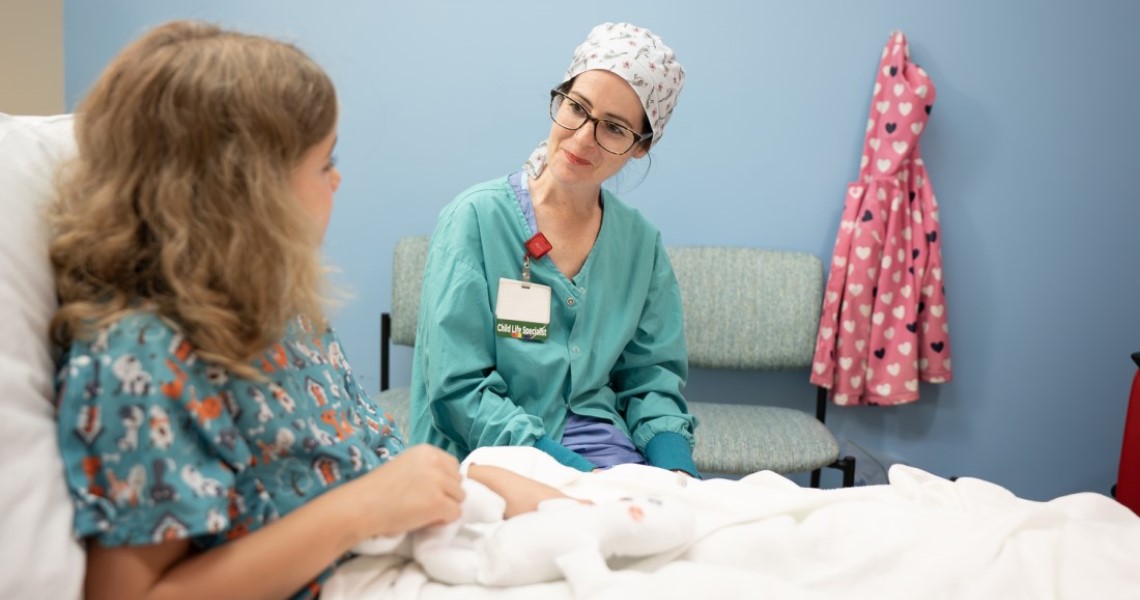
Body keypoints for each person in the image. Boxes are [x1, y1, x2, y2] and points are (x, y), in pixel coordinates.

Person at [50, 20, 566, 600]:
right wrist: (359, 510)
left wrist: (477, 481)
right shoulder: (143, 363)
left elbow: (363, 459)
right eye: (324, 164)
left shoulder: (283, 312)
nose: (338, 179)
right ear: (245, 191)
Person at [409, 22, 699, 477]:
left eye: (615, 128)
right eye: (577, 108)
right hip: (484, 452)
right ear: (560, 98)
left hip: (603, 454)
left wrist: (679, 477)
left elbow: (651, 380)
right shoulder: (475, 220)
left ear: (641, 147)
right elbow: (458, 390)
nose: (583, 137)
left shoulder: (640, 245)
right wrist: (573, 477)